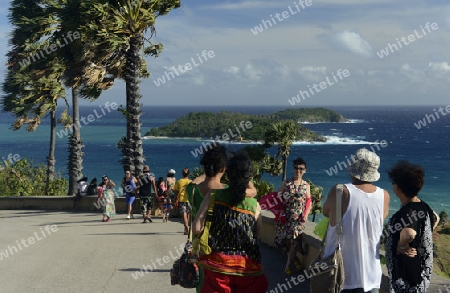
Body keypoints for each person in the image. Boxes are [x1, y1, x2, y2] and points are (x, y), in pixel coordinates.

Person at [193, 152, 268, 293]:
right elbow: (259, 235)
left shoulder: (213, 196)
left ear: (227, 173)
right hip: (248, 269)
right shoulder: (254, 205)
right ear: (249, 176)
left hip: (217, 267)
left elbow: (197, 228)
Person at [322, 148, 390, 293]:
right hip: (372, 276)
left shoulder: (340, 191)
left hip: (340, 274)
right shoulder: (384, 196)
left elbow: (326, 211)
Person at [385, 161, 438, 292]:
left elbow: (409, 233)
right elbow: (436, 218)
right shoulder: (423, 206)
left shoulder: (408, 212)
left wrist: (401, 246)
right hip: (420, 274)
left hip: (407, 277)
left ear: (398, 188)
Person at [274, 157, 312, 275]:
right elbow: (277, 198)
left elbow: (309, 201)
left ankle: (288, 265)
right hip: (286, 217)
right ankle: (294, 259)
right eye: (296, 168)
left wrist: (306, 214)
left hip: (298, 219)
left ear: (305, 170)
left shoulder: (306, 185)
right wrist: (280, 212)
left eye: (301, 169)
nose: (298, 171)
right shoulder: (286, 183)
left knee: (294, 240)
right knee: (284, 240)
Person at [174, 168, 192, 234]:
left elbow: (176, 191)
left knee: (183, 213)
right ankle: (186, 227)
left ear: (182, 174)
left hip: (181, 199)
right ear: (189, 174)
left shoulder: (179, 181)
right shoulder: (190, 182)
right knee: (188, 213)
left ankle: (186, 227)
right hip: (189, 200)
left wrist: (175, 199)